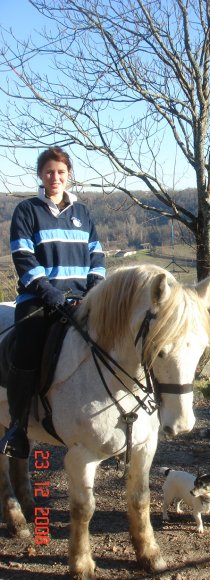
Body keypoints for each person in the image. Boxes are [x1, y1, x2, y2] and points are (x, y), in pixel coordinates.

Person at [0, 146, 106, 459]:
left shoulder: (82, 213)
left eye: (60, 172)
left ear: (69, 175)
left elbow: (97, 255)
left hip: (81, 300)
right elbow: (23, 255)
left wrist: (94, 290)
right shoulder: (27, 210)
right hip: (39, 299)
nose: (55, 177)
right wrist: (49, 292)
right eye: (49, 172)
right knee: (26, 352)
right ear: (40, 175)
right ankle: (17, 428)